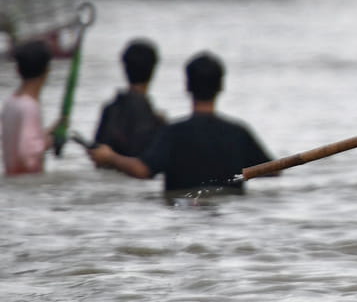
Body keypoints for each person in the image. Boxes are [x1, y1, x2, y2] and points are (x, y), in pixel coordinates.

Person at [90, 52, 272, 195]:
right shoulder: (238, 133)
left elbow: (143, 170)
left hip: (183, 214)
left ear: (187, 86)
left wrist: (110, 157)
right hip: (229, 220)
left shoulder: (172, 133)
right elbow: (272, 170)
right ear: (221, 87)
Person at [93, 38, 167, 158]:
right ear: (153, 70)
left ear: (124, 68)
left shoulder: (110, 110)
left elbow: (98, 153)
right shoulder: (155, 119)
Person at [3, 39, 52, 176]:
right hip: (29, 183)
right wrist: (46, 143)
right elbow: (26, 153)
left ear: (18, 70)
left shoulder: (10, 103)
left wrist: (46, 134)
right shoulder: (30, 107)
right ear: (47, 71)